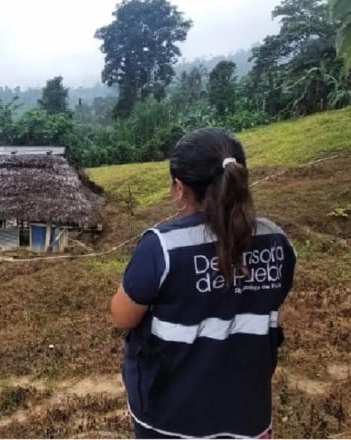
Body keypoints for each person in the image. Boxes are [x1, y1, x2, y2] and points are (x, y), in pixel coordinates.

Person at [110, 128, 297, 439]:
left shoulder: (163, 247)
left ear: (180, 188)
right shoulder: (276, 239)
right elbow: (271, 303)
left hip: (171, 418)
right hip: (248, 413)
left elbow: (122, 316)